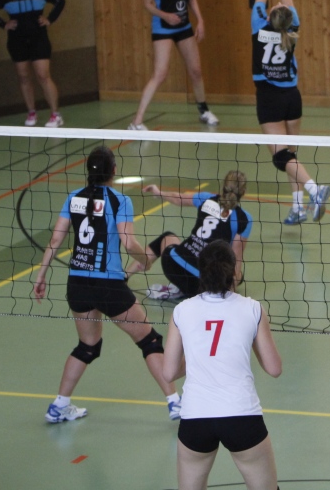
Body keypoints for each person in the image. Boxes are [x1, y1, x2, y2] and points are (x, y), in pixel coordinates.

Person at [32, 146, 182, 423]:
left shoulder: (73, 198)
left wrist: (41, 276)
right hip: (108, 285)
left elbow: (55, 241)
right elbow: (129, 242)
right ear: (113, 171)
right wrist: (145, 260)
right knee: (149, 340)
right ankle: (175, 403)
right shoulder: (120, 201)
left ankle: (59, 406)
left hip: (78, 283)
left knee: (87, 346)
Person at [163, 240, 282, 490]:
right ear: (234, 270)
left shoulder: (182, 311)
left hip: (196, 418)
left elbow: (169, 372)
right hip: (241, 416)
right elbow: (274, 369)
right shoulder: (253, 309)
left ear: (201, 271)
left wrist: (201, 356)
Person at [252, 0, 329, 226]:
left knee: (280, 158)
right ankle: (297, 208)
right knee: (291, 156)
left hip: (269, 99)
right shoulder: (293, 25)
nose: (278, 1)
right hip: (292, 98)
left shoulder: (258, 25)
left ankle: (315, 191)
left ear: (270, 16)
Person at [129, 0, 219, 130]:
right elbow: (147, 3)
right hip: (163, 28)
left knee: (196, 70)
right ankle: (136, 121)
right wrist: (165, 15)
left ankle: (204, 110)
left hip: (184, 27)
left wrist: (200, 20)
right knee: (160, 73)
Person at [135, 171, 251, 300]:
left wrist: (158, 193)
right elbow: (236, 262)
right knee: (238, 275)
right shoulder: (244, 219)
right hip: (204, 284)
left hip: (172, 267)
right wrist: (227, 297)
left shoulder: (206, 198)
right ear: (243, 192)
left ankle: (126, 275)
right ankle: (186, 291)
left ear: (223, 186)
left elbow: (177, 198)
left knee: (167, 237)